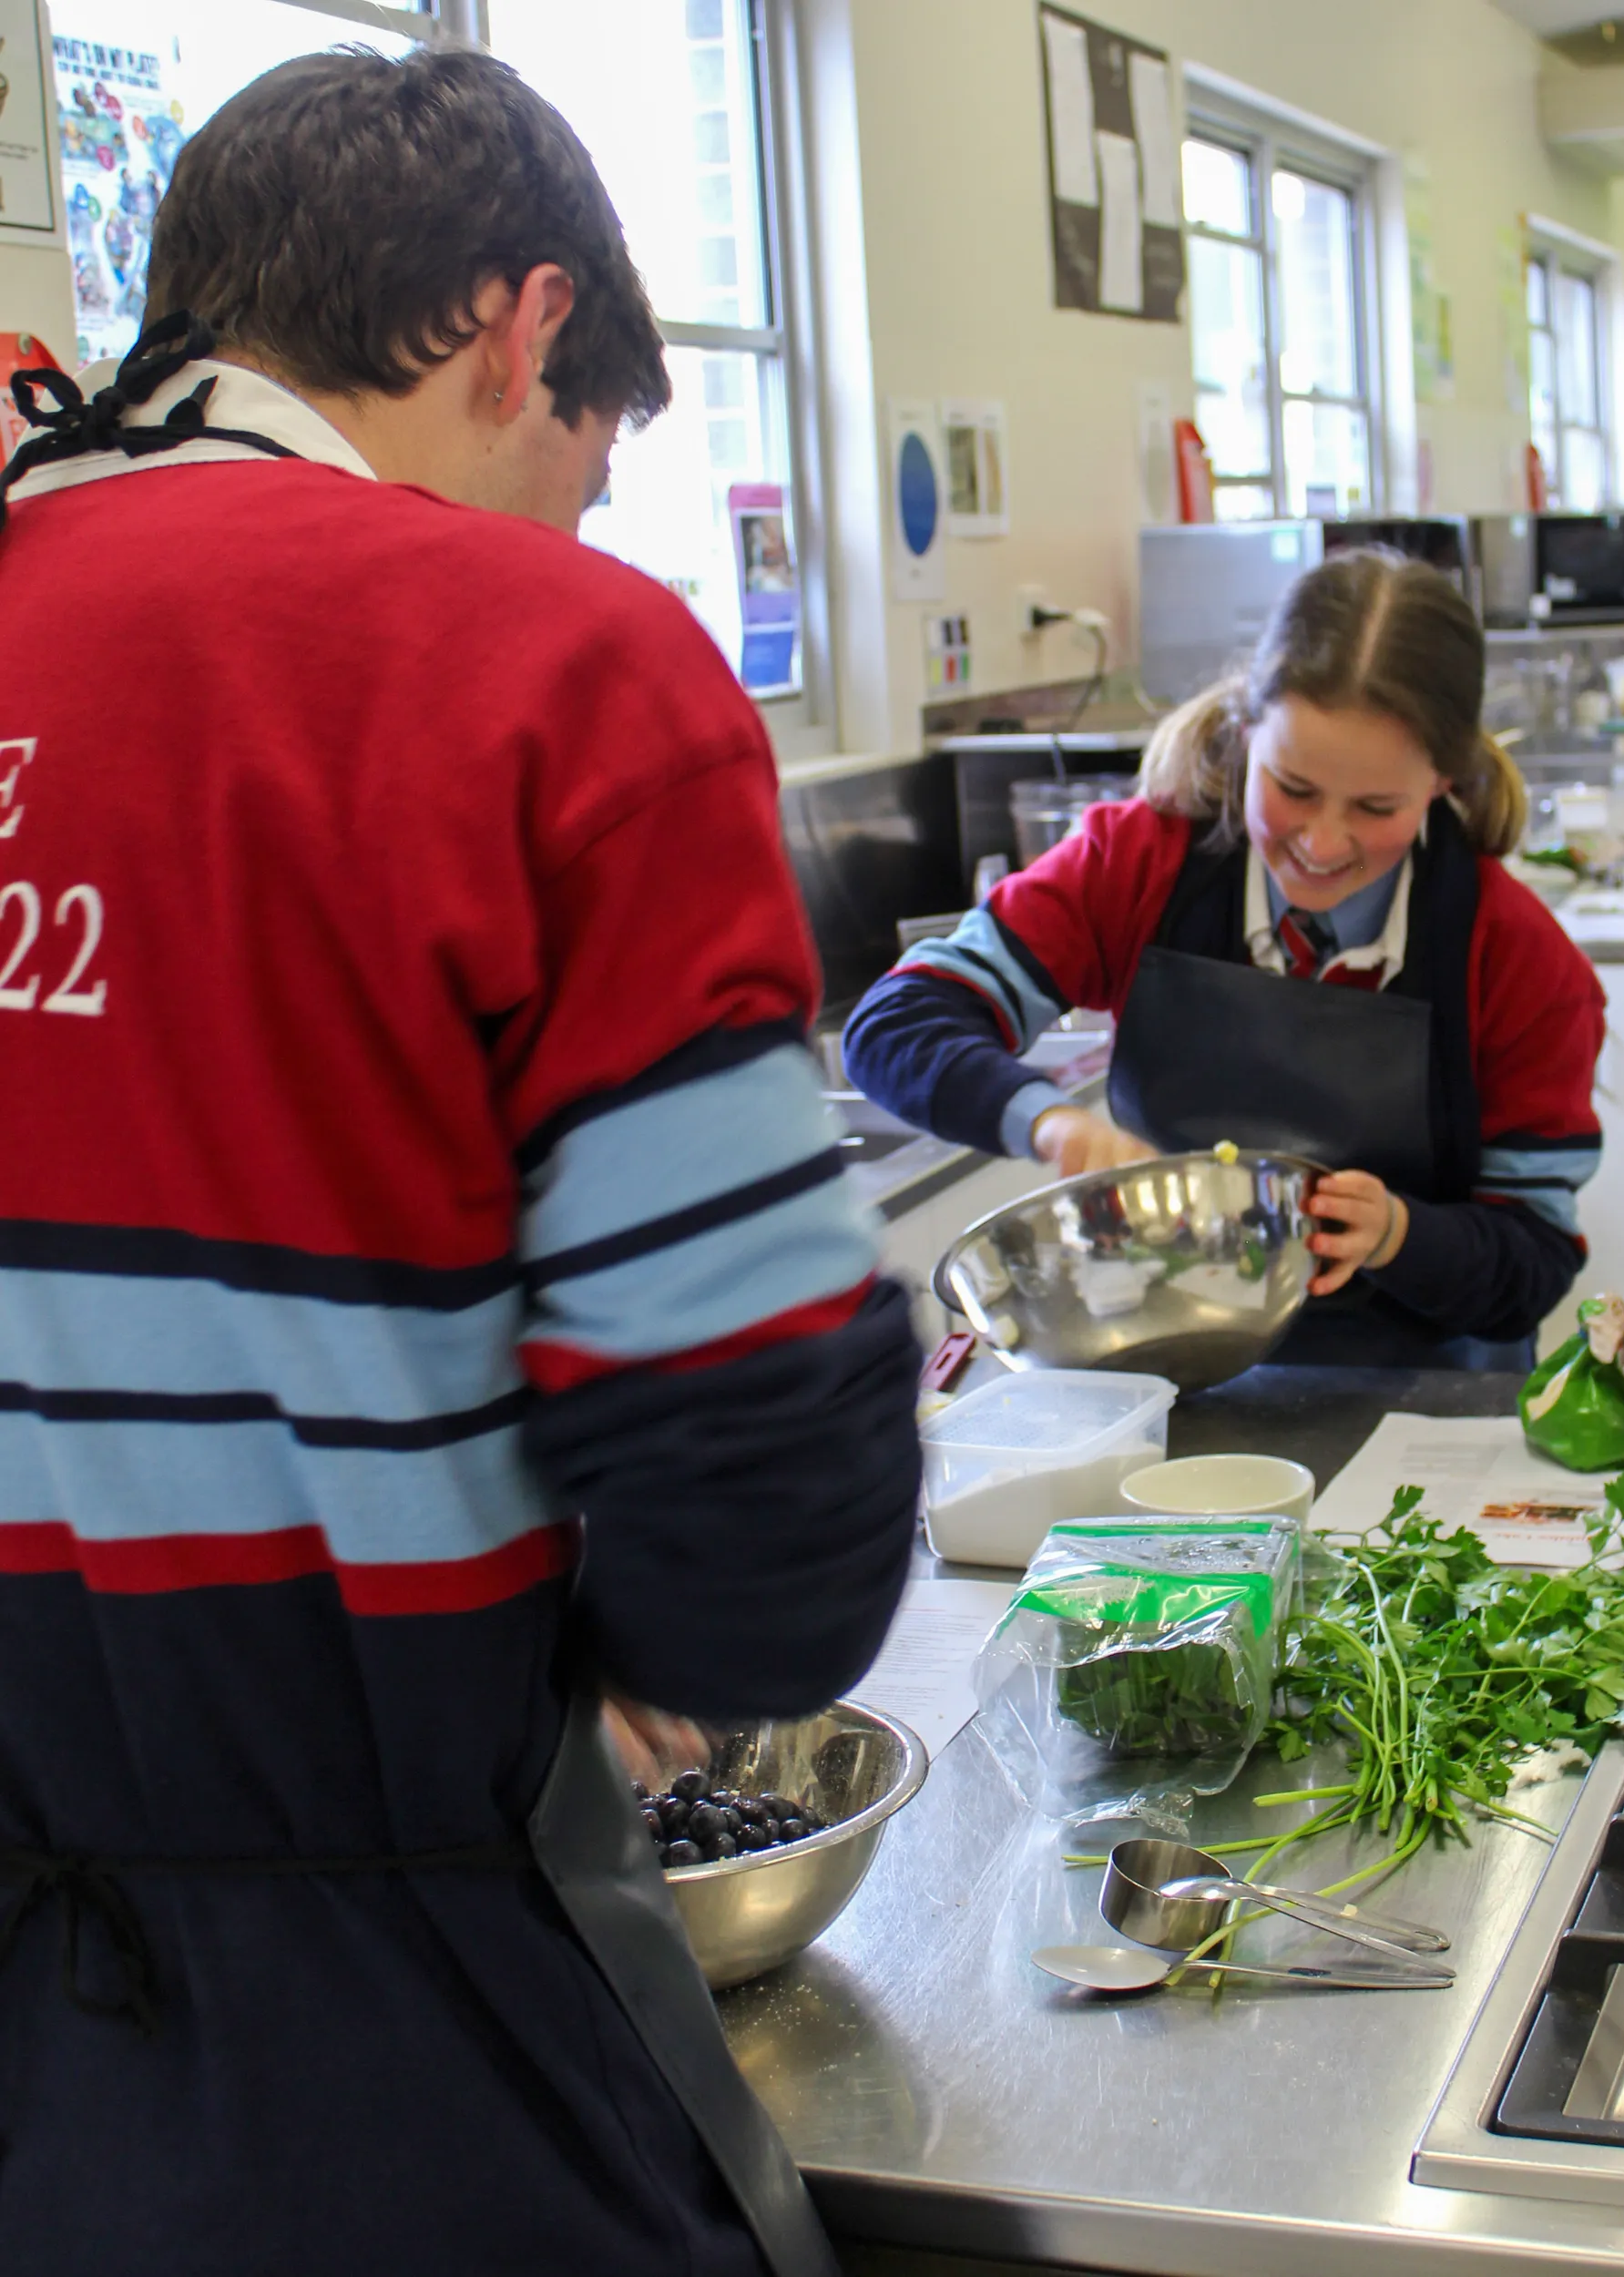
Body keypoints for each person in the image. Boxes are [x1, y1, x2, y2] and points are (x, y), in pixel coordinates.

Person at [0, 47, 920, 2277]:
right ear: (524, 330)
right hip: (391, 2054)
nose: (574, 531)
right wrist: (604, 1640)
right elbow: (763, 1484)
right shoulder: (546, 664)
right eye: (587, 471)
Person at [845, 553, 1607, 1371]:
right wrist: (1048, 1120)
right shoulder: (1137, 866)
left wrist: (1400, 1235)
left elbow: (1532, 1261)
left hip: (1431, 1400)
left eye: (1376, 808)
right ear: (1247, 732)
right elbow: (895, 1023)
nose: (1322, 843)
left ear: (1441, 784)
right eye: (1293, 788)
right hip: (1170, 1382)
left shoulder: (1515, 955)